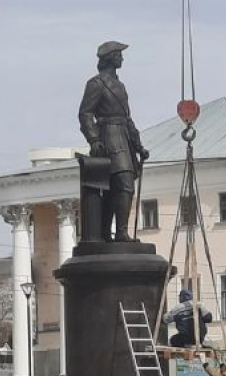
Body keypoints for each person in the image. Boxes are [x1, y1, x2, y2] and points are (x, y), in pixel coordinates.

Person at [78, 41, 149, 243]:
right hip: (108, 136)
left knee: (117, 188)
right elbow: (85, 113)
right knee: (124, 184)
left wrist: (139, 145)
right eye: (119, 54)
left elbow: (128, 118)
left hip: (123, 136)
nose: (122, 58)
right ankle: (119, 232)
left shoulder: (120, 86)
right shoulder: (96, 84)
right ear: (109, 57)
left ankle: (112, 233)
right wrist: (93, 139)